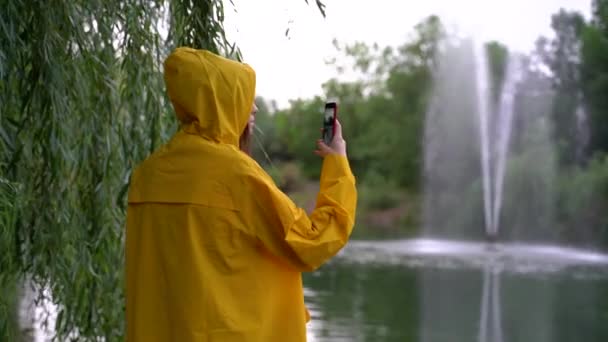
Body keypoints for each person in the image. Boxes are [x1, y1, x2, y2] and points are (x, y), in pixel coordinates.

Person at [125, 47, 357, 342]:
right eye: (243, 97)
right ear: (219, 103)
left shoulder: (147, 174)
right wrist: (337, 162)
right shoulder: (237, 176)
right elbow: (311, 242)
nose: (254, 108)